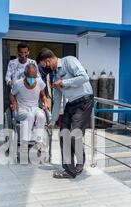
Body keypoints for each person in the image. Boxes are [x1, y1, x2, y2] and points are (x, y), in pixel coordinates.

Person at [37, 48, 94, 179]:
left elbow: (84, 77)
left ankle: (79, 164)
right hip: (71, 103)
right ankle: (69, 170)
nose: (45, 68)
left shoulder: (69, 61)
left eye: (44, 65)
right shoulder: (55, 77)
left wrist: (63, 82)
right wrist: (52, 122)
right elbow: (57, 102)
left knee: (75, 134)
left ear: (48, 60)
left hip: (85, 100)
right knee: (63, 134)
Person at [10, 64, 48, 156]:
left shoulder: (39, 82)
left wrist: (45, 102)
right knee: (29, 116)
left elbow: (42, 95)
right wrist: (14, 102)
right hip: (21, 109)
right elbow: (11, 94)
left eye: (34, 77)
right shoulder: (18, 84)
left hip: (34, 108)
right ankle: (25, 143)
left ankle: (39, 142)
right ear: (25, 75)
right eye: (30, 77)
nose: (32, 79)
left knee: (41, 116)